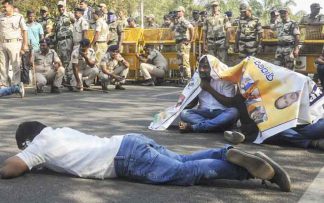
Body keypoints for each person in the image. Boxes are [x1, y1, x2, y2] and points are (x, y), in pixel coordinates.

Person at [0, 121, 291, 192]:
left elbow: (11, 169)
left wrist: (22, 159)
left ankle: (251, 171)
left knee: (183, 174)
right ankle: (226, 152)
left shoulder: (37, 145)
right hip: (130, 141)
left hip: (123, 159)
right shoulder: (58, 130)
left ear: (27, 141)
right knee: (182, 160)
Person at [179, 55, 239, 133]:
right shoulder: (198, 79)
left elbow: (229, 103)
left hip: (221, 112)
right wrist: (178, 109)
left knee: (234, 112)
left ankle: (195, 127)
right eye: (199, 66)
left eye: (205, 67)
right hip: (204, 112)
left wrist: (209, 89)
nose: (201, 70)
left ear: (213, 68)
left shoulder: (225, 79)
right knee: (184, 113)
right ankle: (217, 127)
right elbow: (193, 102)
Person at [0, 0, 28, 87]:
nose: (4, 8)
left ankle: (16, 85)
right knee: (2, 66)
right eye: (3, 7)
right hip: (2, 43)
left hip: (14, 43)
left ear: (11, 7)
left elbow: (24, 31)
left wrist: (25, 45)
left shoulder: (19, 17)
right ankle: (4, 84)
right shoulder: (1, 17)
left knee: (15, 65)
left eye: (5, 7)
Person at [171, 6, 195, 83]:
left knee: (185, 62)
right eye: (176, 11)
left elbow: (191, 28)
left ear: (182, 12)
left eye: (178, 11)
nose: (177, 13)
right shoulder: (177, 21)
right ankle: (182, 78)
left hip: (183, 43)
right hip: (178, 43)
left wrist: (190, 40)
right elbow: (171, 30)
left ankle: (188, 79)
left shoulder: (183, 20)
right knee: (179, 62)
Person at [22, 10, 44, 84]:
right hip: (26, 47)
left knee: (36, 65)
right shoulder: (24, 25)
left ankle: (37, 82)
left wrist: (42, 46)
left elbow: (42, 37)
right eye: (29, 16)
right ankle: (26, 82)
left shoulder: (38, 25)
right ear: (27, 16)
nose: (31, 17)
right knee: (25, 65)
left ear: (35, 17)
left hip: (36, 48)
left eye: (32, 16)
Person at [55, 1, 73, 69]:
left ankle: (67, 76)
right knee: (60, 59)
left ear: (65, 7)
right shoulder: (57, 18)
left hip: (67, 40)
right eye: (59, 7)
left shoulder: (69, 15)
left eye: (62, 6)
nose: (60, 8)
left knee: (67, 59)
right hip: (59, 41)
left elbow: (75, 24)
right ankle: (62, 76)